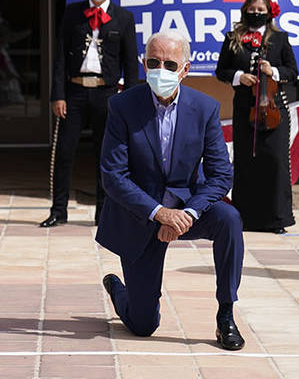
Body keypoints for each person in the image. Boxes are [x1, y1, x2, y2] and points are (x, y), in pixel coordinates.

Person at [97, 30, 245, 350]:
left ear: (185, 69)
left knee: (229, 219)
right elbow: (113, 174)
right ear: (143, 63)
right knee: (142, 325)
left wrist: (187, 213)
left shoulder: (204, 108)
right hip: (141, 216)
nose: (160, 70)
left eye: (169, 63)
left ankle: (226, 315)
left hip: (186, 208)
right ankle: (120, 290)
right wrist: (159, 213)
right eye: (153, 62)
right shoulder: (123, 106)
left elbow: (221, 175)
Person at [43, 0, 139, 228]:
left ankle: (104, 213)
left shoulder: (123, 17)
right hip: (73, 91)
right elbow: (60, 56)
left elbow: (130, 63)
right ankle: (58, 211)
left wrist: (130, 100)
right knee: (64, 152)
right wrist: (57, 95)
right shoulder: (73, 13)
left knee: (105, 155)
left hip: (106, 93)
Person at [215, 0, 299, 234]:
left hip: (274, 110)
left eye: (261, 10)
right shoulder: (233, 38)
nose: (256, 14)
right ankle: (245, 218)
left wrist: (272, 70)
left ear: (269, 13)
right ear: (245, 10)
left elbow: (292, 72)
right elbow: (221, 71)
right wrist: (240, 77)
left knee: (275, 162)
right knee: (245, 161)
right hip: (245, 110)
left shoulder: (280, 39)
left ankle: (276, 219)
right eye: (252, 9)